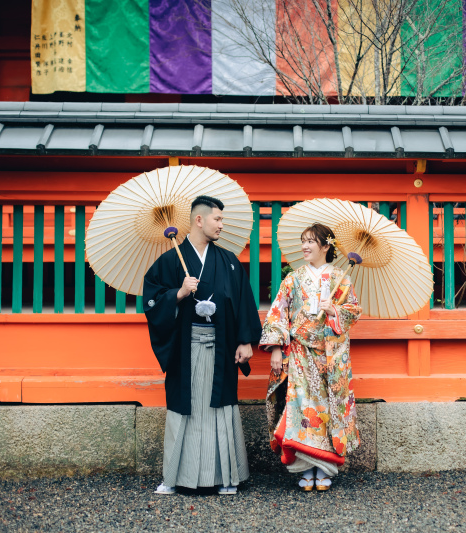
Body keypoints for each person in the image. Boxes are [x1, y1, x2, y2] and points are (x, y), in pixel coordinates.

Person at [143, 195, 262, 496]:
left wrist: (245, 340)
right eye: (217, 219)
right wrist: (179, 294)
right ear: (199, 220)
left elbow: (244, 302)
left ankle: (227, 477)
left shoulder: (229, 262)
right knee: (186, 409)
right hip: (186, 348)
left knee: (219, 409)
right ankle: (173, 477)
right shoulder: (170, 260)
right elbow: (151, 301)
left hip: (221, 347)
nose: (222, 224)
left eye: (222, 219)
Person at [259, 223, 362, 491]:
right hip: (301, 353)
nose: (304, 246)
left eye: (310, 242)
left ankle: (325, 467)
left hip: (331, 357)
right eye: (302, 241)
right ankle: (305, 468)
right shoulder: (293, 278)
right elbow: (278, 312)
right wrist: (277, 349)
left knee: (327, 410)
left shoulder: (342, 277)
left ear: (326, 246)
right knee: (301, 407)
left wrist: (334, 311)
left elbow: (353, 310)